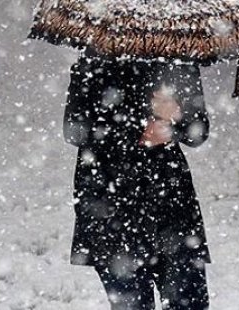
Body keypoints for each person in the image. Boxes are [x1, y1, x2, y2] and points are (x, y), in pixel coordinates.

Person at [63, 49, 211, 310]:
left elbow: (197, 131)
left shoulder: (176, 57)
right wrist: (139, 128)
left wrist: (175, 118)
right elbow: (75, 130)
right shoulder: (94, 60)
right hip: (111, 204)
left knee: (189, 303)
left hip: (170, 201)